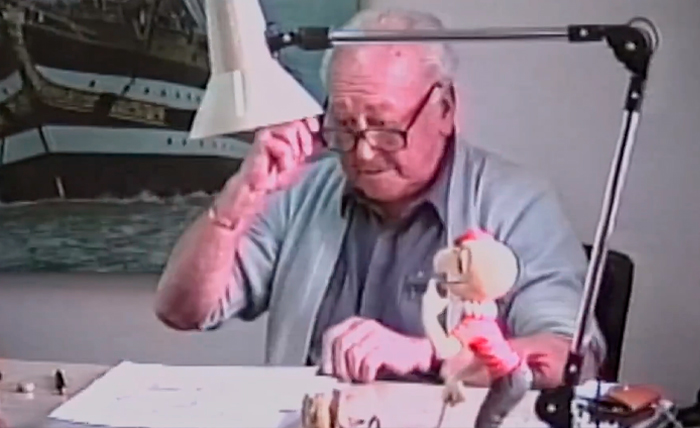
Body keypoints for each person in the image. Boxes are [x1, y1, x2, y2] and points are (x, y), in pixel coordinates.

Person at [155, 8, 606, 388]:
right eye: (345, 125)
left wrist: (428, 352)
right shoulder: (303, 191)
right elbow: (182, 312)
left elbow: (567, 358)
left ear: (445, 109)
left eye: (386, 127)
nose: (364, 152)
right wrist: (238, 202)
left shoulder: (515, 204)